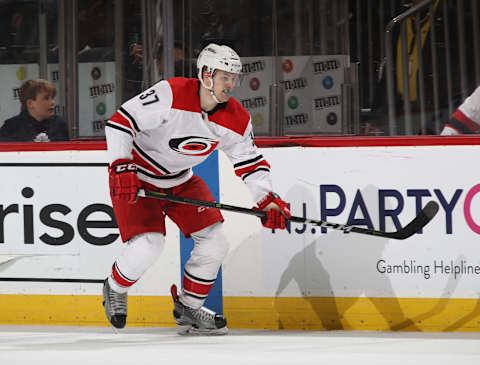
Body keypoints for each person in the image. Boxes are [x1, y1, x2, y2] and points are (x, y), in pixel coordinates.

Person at [103, 43, 291, 334]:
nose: (231, 84)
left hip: (181, 179)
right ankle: (114, 288)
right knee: (149, 245)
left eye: (234, 78)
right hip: (138, 177)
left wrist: (267, 200)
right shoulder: (171, 92)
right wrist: (120, 164)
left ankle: (188, 306)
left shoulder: (237, 118)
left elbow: (251, 163)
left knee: (215, 241)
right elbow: (120, 123)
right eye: (224, 76)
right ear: (206, 74)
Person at [0, 78, 69, 142]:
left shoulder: (60, 124)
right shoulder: (11, 127)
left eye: (52, 97)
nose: (52, 102)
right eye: (46, 98)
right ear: (30, 103)